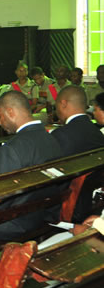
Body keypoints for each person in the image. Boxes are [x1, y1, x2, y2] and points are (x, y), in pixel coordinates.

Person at [0, 90, 64, 288]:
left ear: (11, 112)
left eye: (1, 116)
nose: (0, 122)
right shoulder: (51, 139)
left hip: (14, 223)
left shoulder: (12, 148)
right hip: (41, 215)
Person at [50, 85, 104, 222]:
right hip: (90, 202)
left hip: (66, 206)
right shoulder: (98, 133)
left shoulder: (60, 136)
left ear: (63, 104)